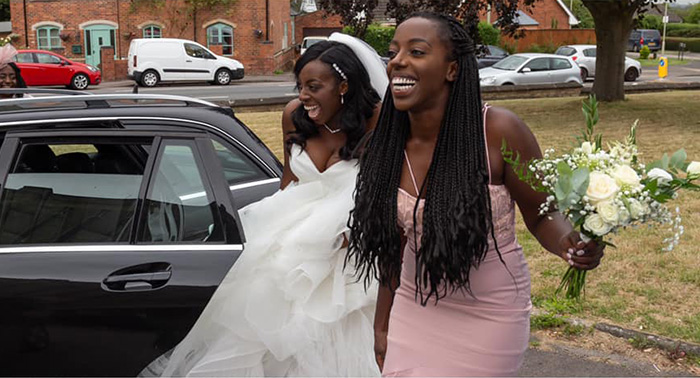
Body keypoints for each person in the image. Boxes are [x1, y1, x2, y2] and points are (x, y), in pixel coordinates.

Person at [347, 12, 605, 377]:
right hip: (413, 303)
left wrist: (571, 244)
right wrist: (381, 324)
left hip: (490, 311)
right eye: (394, 51)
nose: (398, 61)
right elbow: (393, 245)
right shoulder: (385, 146)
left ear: (452, 69)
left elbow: (542, 213)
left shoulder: (499, 131)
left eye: (416, 51)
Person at [139, 33, 387, 377]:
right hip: (291, 243)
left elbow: (388, 190)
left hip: (351, 251)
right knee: (262, 325)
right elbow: (289, 182)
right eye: (299, 85)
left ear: (343, 86)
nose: (303, 96)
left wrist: (355, 233)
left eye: (314, 86)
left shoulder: (378, 121)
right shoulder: (293, 116)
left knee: (336, 338)